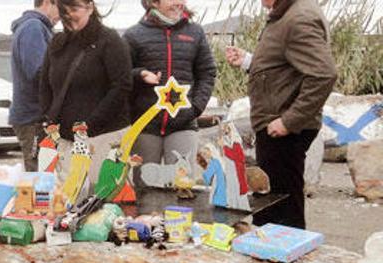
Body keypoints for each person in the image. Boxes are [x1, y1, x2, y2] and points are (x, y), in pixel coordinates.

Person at [226, 0, 336, 229]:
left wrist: (289, 121)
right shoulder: (286, 15)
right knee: (273, 199)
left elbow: (324, 75)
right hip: (277, 122)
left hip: (283, 127)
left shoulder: (299, 18)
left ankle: (283, 259)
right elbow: (282, 68)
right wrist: (249, 62)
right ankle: (273, 254)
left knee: (279, 204)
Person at [123, 0, 216, 183]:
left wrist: (195, 108)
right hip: (146, 127)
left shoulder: (195, 32)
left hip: (183, 125)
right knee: (146, 189)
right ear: (154, 2)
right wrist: (139, 74)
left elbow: (207, 73)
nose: (180, 3)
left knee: (182, 188)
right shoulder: (133, 35)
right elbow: (121, 74)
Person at [38, 0, 132, 182]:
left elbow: (121, 86)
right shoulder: (57, 42)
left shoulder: (109, 40)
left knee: (100, 198)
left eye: (74, 9)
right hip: (65, 138)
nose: (68, 15)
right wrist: (49, 116)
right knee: (68, 200)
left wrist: (89, 126)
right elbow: (45, 84)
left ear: (89, 7)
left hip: (103, 136)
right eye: (63, 10)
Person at [9, 0, 61, 171]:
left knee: (44, 174)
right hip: (34, 118)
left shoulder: (38, 28)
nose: (62, 16)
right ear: (47, 2)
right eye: (60, 7)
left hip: (36, 116)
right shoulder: (33, 28)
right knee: (40, 176)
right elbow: (38, 72)